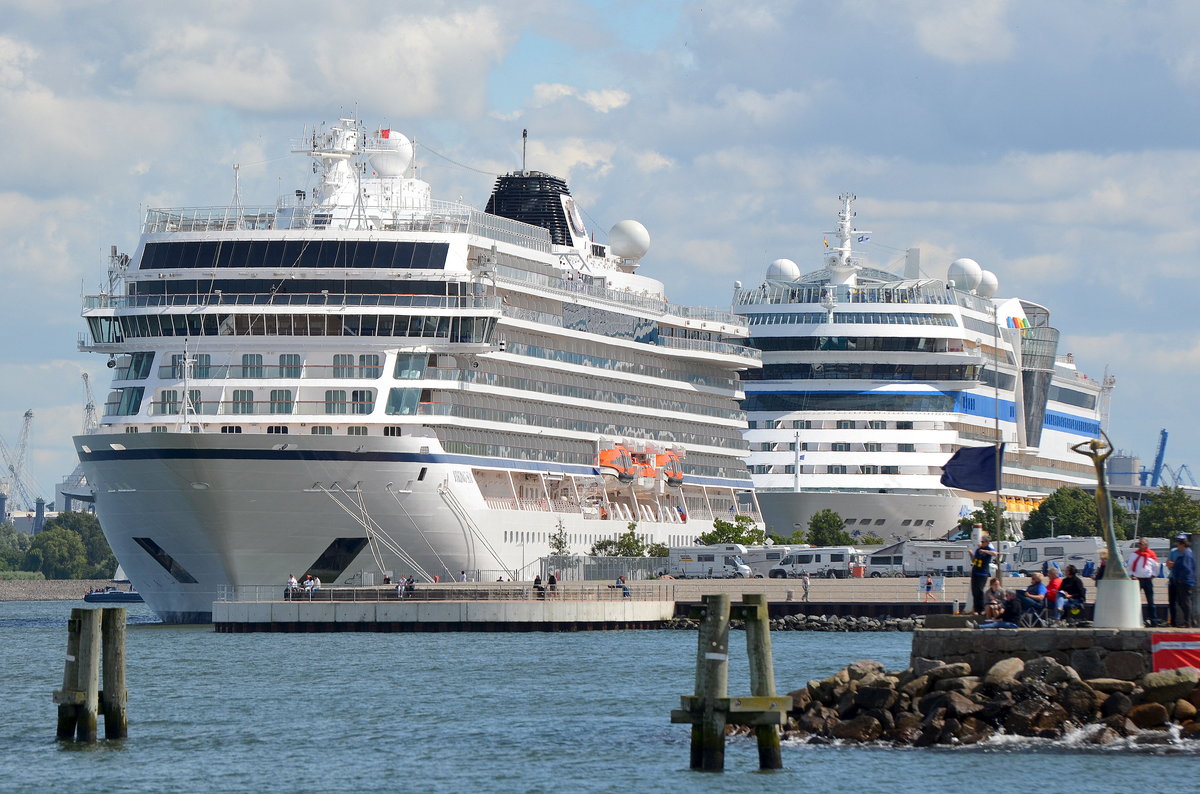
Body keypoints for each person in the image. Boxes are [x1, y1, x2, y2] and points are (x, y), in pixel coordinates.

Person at [1126, 537, 1161, 626]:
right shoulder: (1134, 554)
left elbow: (1156, 566)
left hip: (1147, 579)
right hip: (1137, 579)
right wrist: (1132, 575)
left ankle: (1153, 621)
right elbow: (1129, 565)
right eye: (1139, 543)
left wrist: (1153, 575)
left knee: (1151, 601)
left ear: (1146, 545)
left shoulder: (1151, 554)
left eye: (1141, 543)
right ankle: (1133, 620)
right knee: (1134, 600)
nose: (1140, 545)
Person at [1167, 533, 1195, 628]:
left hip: (1183, 581)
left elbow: (1187, 568)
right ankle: (1189, 621)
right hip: (1176, 580)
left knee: (1185, 602)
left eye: (1178, 543)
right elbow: (1169, 564)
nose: (1177, 545)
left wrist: (1181, 579)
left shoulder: (1187, 554)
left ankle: (1188, 622)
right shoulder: (1175, 552)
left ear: (1183, 544)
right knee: (1179, 601)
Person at [970, 536, 998, 613]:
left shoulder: (989, 549)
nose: (981, 543)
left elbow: (995, 553)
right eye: (981, 542)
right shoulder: (978, 550)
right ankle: (976, 609)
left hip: (982, 573)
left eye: (983, 542)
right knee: (974, 591)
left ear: (987, 542)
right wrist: (971, 554)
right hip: (975, 571)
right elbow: (974, 561)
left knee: (980, 590)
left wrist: (985, 551)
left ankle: (981, 609)